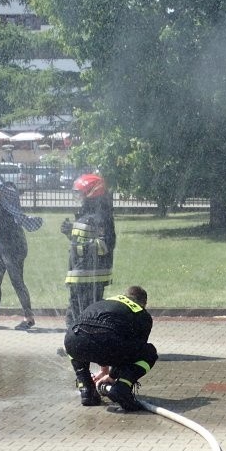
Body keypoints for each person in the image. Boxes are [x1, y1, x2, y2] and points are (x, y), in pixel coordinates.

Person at [64, 286, 157, 411]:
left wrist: (105, 371)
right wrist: (113, 376)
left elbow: (94, 330)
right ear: (143, 302)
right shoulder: (141, 313)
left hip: (73, 340)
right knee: (148, 352)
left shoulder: (104, 302)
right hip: (108, 342)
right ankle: (122, 387)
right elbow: (133, 350)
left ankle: (86, 388)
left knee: (75, 343)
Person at [0, 173, 43, 330]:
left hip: (14, 245)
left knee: (17, 281)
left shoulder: (9, 193)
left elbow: (7, 196)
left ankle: (29, 317)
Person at [61, 173, 116, 331]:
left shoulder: (102, 216)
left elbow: (106, 244)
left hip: (91, 274)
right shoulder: (86, 214)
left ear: (91, 193)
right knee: (74, 310)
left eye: (80, 193)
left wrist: (84, 246)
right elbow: (83, 238)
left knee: (87, 312)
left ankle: (87, 344)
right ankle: (73, 342)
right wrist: (70, 231)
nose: (77, 197)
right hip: (78, 271)